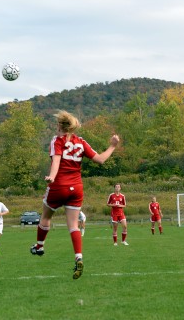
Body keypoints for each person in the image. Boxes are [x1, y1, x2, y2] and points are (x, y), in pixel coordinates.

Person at [30, 110, 120, 279]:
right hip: (76, 188)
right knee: (73, 225)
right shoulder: (81, 142)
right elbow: (100, 159)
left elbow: (56, 161)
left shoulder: (57, 140)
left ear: (60, 126)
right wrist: (113, 146)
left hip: (59, 186)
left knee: (46, 216)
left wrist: (52, 177)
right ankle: (78, 257)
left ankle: (39, 246)